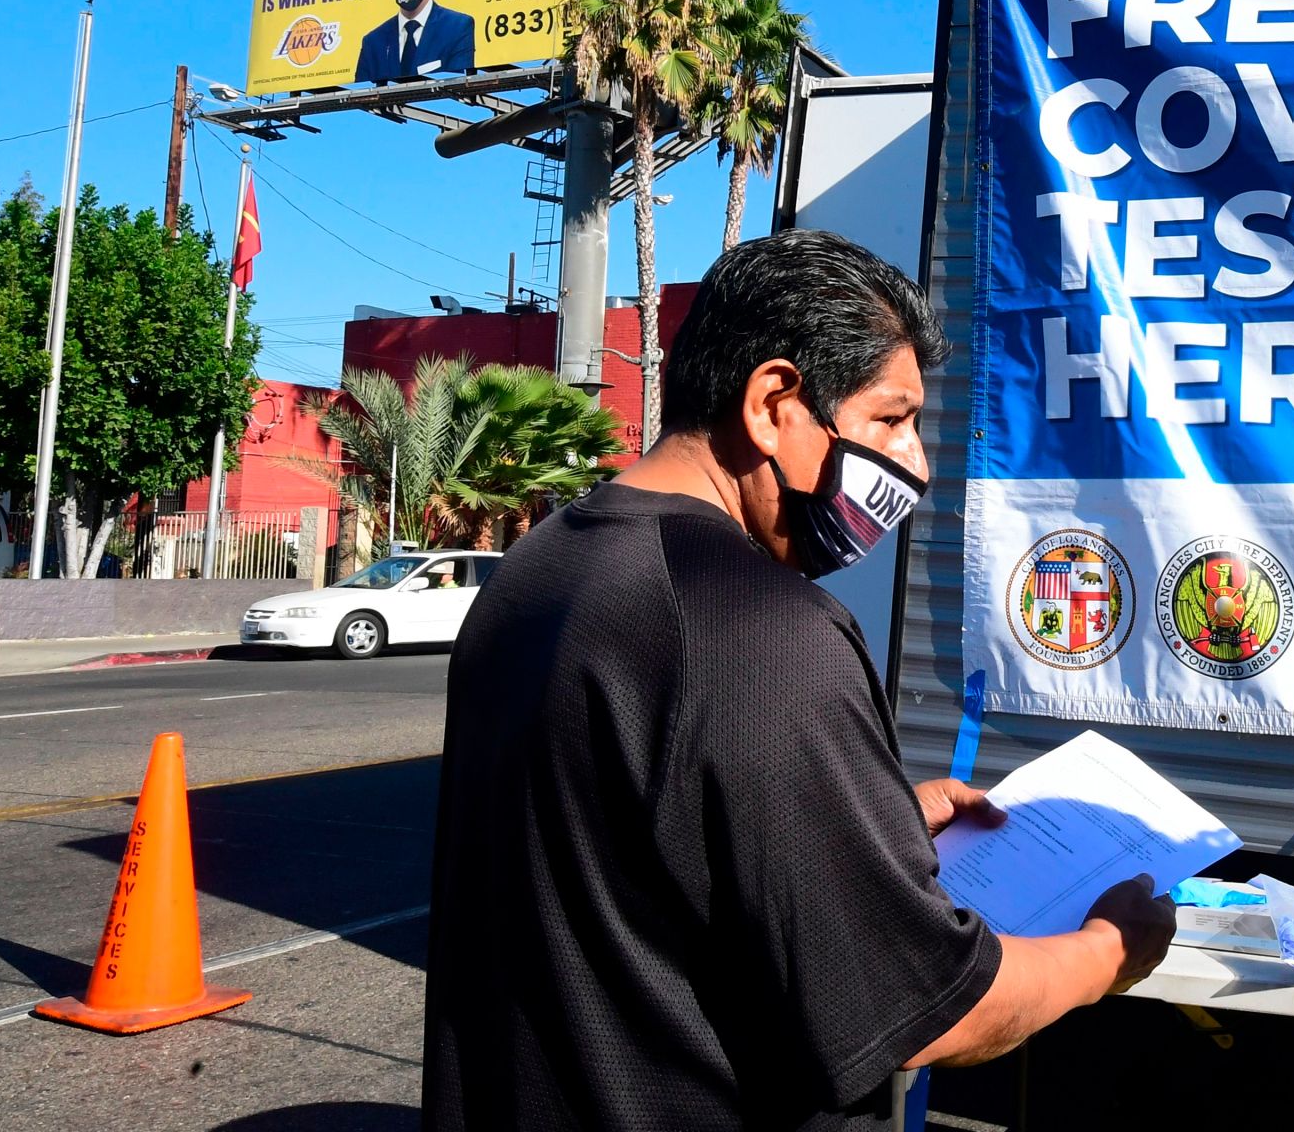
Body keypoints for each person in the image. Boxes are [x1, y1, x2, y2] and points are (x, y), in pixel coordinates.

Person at [422, 230, 1175, 1130]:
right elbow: (932, 1011)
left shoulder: (540, 567)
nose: (918, 465)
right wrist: (1107, 950)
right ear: (775, 403)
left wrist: (864, 815)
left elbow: (631, 841)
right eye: (890, 420)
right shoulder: (765, 631)